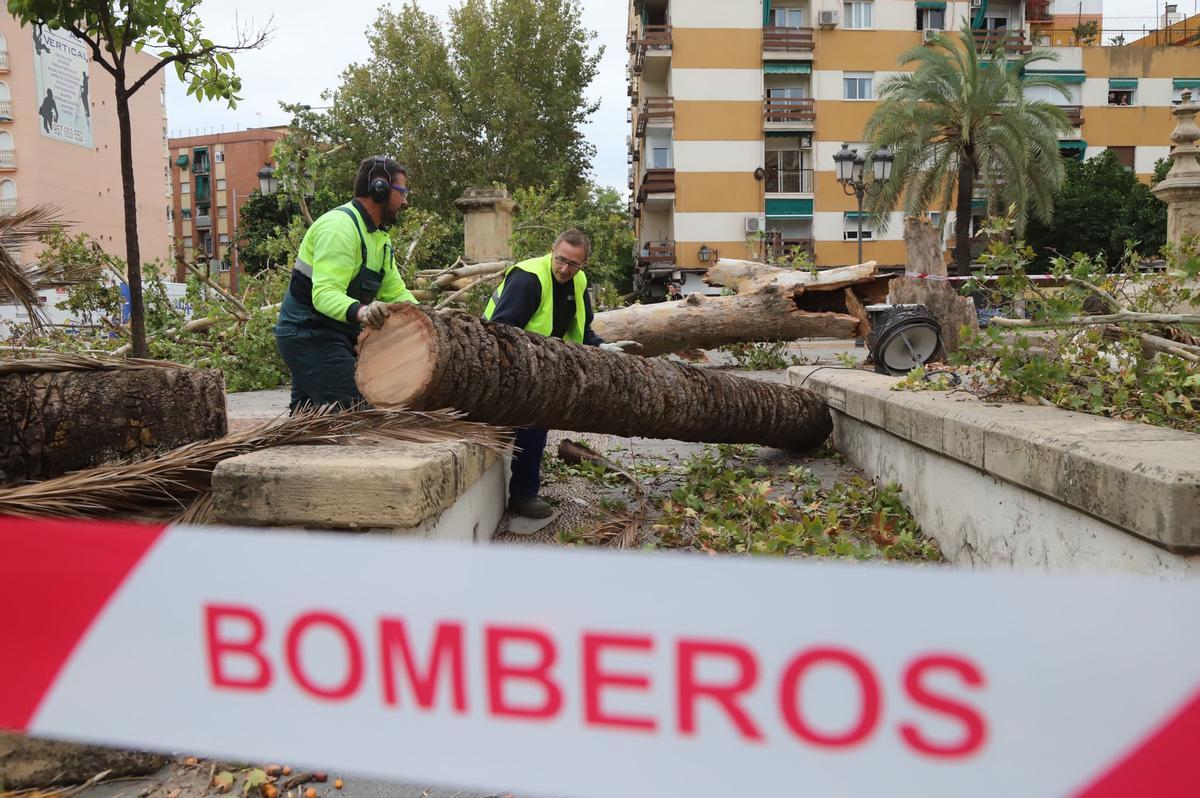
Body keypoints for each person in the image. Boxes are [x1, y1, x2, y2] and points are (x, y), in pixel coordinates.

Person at [483, 229, 630, 519]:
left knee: (546, 407)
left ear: (584, 264)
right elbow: (500, 332)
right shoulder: (529, 279)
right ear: (552, 251)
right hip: (499, 360)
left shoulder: (579, 281)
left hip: (538, 363)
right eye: (560, 259)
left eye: (573, 264)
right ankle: (523, 495)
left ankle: (529, 474)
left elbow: (582, 331)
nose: (564, 269)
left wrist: (602, 347)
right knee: (536, 413)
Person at [274, 155, 417, 412]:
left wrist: (433, 319)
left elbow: (395, 291)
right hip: (310, 335)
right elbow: (325, 294)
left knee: (309, 419)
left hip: (336, 337)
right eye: (402, 192)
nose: (405, 201)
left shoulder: (378, 237)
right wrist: (364, 312)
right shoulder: (340, 229)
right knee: (361, 413)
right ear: (379, 189)